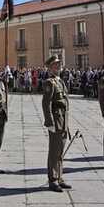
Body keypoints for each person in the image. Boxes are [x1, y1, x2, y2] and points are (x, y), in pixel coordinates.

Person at [41, 55, 72, 192]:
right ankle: (52, 179)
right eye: (55, 65)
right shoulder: (49, 83)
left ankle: (59, 177)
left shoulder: (60, 81)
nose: (58, 67)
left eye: (59, 64)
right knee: (54, 151)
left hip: (63, 119)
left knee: (60, 151)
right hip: (55, 119)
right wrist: (49, 122)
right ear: (50, 68)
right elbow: (46, 104)